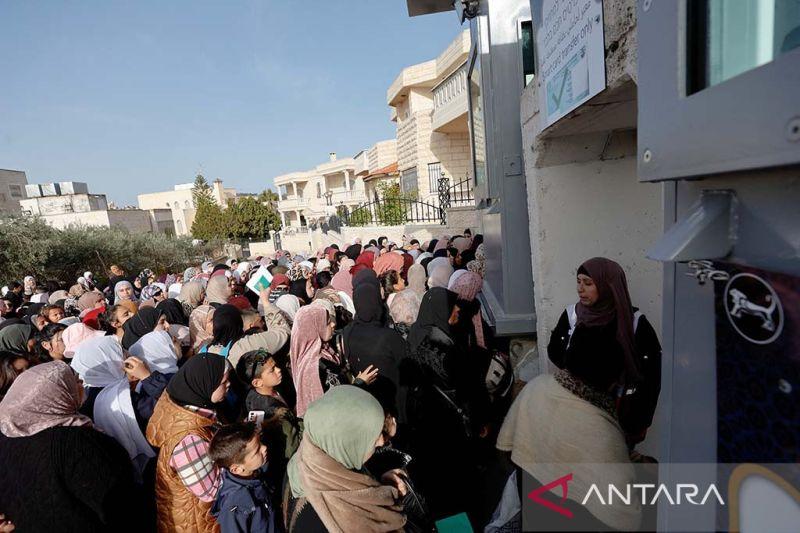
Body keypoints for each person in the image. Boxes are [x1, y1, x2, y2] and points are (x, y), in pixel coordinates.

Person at [0, 361, 139, 531]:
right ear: (54, 394)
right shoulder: (77, 443)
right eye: (71, 381)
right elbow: (121, 506)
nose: (80, 383)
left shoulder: (8, 437)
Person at [546, 257, 661, 448]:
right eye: (578, 281)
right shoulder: (573, 315)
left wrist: (636, 425)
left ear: (608, 286)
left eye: (588, 283)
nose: (580, 289)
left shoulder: (634, 323)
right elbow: (555, 353)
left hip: (616, 418)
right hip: (574, 415)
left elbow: (651, 378)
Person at [401, 287, 491, 523]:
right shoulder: (447, 350)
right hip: (449, 435)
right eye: (453, 309)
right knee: (455, 495)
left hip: (424, 437)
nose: (456, 313)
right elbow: (467, 391)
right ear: (441, 311)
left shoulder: (416, 339)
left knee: (440, 497)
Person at [284, 386, 408, 533]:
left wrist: (378, 484)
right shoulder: (319, 521)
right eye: (371, 442)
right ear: (345, 442)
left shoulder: (314, 454)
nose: (381, 443)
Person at [146, 354, 231, 533]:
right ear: (205, 385)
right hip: (197, 523)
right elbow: (212, 491)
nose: (229, 384)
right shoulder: (189, 441)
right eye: (223, 382)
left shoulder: (189, 409)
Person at [290, 304, 377, 417]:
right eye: (327, 323)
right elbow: (338, 402)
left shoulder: (318, 353)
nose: (333, 324)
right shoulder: (317, 365)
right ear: (314, 329)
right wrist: (360, 383)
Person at [343, 279, 406, 417]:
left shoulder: (348, 332)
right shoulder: (389, 337)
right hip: (394, 405)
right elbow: (408, 369)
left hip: (366, 403)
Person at [209, 422, 275, 533]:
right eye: (257, 451)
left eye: (260, 442)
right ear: (237, 469)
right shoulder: (235, 506)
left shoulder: (254, 473)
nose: (264, 448)